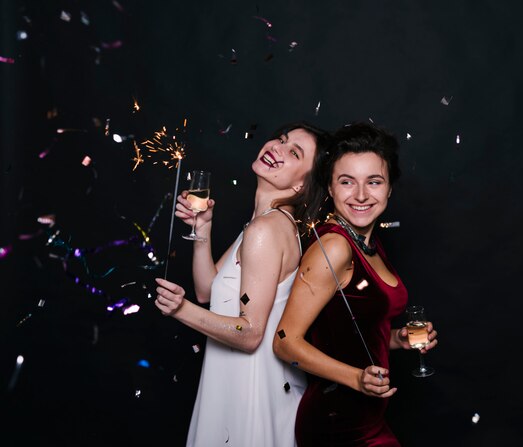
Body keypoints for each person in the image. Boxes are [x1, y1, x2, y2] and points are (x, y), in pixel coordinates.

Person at [154, 122, 330, 446]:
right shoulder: (261, 225)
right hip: (240, 382)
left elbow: (249, 334)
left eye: (294, 152)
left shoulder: (266, 230)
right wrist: (202, 228)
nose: (277, 147)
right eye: (281, 138)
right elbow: (208, 290)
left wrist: (180, 310)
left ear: (301, 186)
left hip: (251, 391)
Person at [273, 122, 438, 446]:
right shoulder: (334, 247)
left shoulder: (365, 241)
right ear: (331, 188)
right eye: (347, 182)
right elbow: (284, 342)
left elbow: (345, 330)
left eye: (374, 182)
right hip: (338, 425)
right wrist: (356, 378)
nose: (361, 195)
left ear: (389, 188)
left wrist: (395, 339)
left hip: (368, 421)